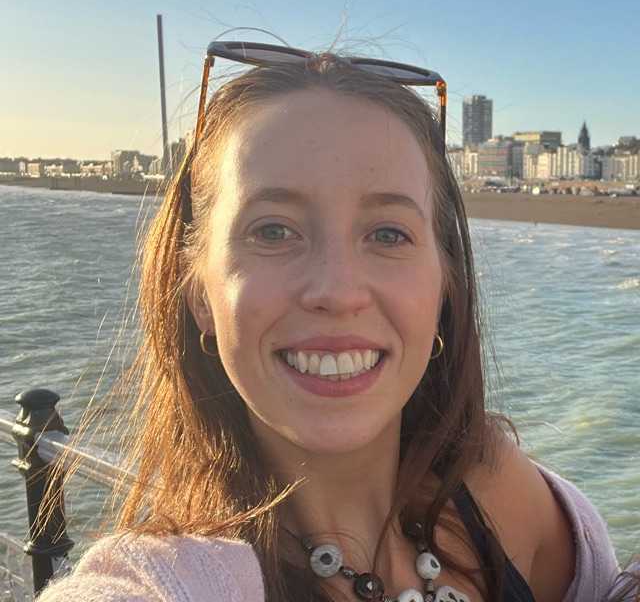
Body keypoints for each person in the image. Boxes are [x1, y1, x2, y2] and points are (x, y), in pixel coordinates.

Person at [38, 42, 620, 602]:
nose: (338, 292)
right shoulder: (171, 580)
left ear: (445, 284)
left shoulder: (493, 488)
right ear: (198, 294)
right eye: (273, 231)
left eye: (388, 234)